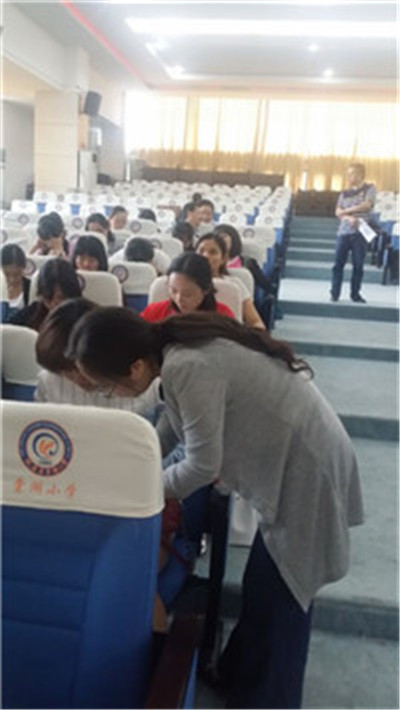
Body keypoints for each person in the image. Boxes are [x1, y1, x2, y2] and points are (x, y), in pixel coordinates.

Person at [66, 307, 364, 709]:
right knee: (263, 587)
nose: (109, 394)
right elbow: (171, 428)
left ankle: (271, 700)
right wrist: (134, 467)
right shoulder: (173, 355)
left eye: (106, 387)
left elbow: (202, 467)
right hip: (295, 464)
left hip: (308, 473)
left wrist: (140, 490)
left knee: (285, 600)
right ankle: (240, 679)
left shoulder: (187, 365)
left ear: (135, 367)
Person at [35, 297, 162, 423]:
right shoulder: (48, 382)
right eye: (67, 373)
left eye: (82, 369)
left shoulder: (143, 380)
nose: (80, 379)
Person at [196, 233, 265, 329]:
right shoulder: (185, 283)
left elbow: (255, 321)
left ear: (223, 259)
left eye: (213, 252)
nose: (206, 256)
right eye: (201, 251)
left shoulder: (235, 284)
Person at [330, 163, 376, 303]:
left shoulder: (369, 188)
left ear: (360, 175)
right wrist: (348, 217)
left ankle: (355, 294)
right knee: (338, 264)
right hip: (344, 232)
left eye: (352, 174)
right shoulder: (344, 193)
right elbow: (337, 212)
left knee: (358, 265)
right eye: (348, 174)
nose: (349, 177)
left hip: (360, 232)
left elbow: (367, 205)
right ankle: (335, 293)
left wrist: (346, 211)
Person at [141, 252, 234, 322]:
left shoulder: (223, 316)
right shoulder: (154, 312)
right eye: (173, 291)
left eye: (187, 294)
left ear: (205, 289)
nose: (179, 299)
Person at [9, 258, 81, 330]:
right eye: (48, 298)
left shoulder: (83, 319)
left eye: (60, 298)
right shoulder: (31, 313)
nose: (53, 304)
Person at [1, 243, 30, 318]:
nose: (12, 280)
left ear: (24, 268)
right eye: (7, 274)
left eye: (17, 274)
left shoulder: (30, 289)